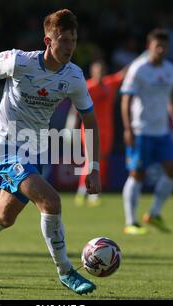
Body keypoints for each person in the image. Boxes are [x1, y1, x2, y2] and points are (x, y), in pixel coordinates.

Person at [0, 9, 101, 295]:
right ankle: (66, 271)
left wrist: (94, 166)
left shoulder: (74, 77)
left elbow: (90, 120)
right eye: (63, 40)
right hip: (4, 145)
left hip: (36, 150)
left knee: (4, 217)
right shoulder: (19, 60)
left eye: (73, 40)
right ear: (47, 40)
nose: (69, 47)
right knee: (51, 201)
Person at [120, 28, 173, 235]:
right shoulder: (138, 69)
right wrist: (128, 129)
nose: (162, 50)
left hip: (162, 131)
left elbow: (171, 97)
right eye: (158, 46)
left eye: (165, 47)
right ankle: (131, 222)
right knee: (137, 174)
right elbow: (126, 100)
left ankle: (154, 213)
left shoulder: (171, 70)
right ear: (149, 47)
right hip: (140, 130)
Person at [67, 59, 126, 207]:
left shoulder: (109, 84)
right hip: (89, 129)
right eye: (97, 71)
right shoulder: (88, 87)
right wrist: (70, 126)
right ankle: (88, 193)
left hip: (107, 130)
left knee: (101, 160)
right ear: (93, 73)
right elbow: (75, 108)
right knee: (91, 159)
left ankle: (85, 192)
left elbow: (124, 74)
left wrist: (143, 56)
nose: (100, 74)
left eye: (102, 71)